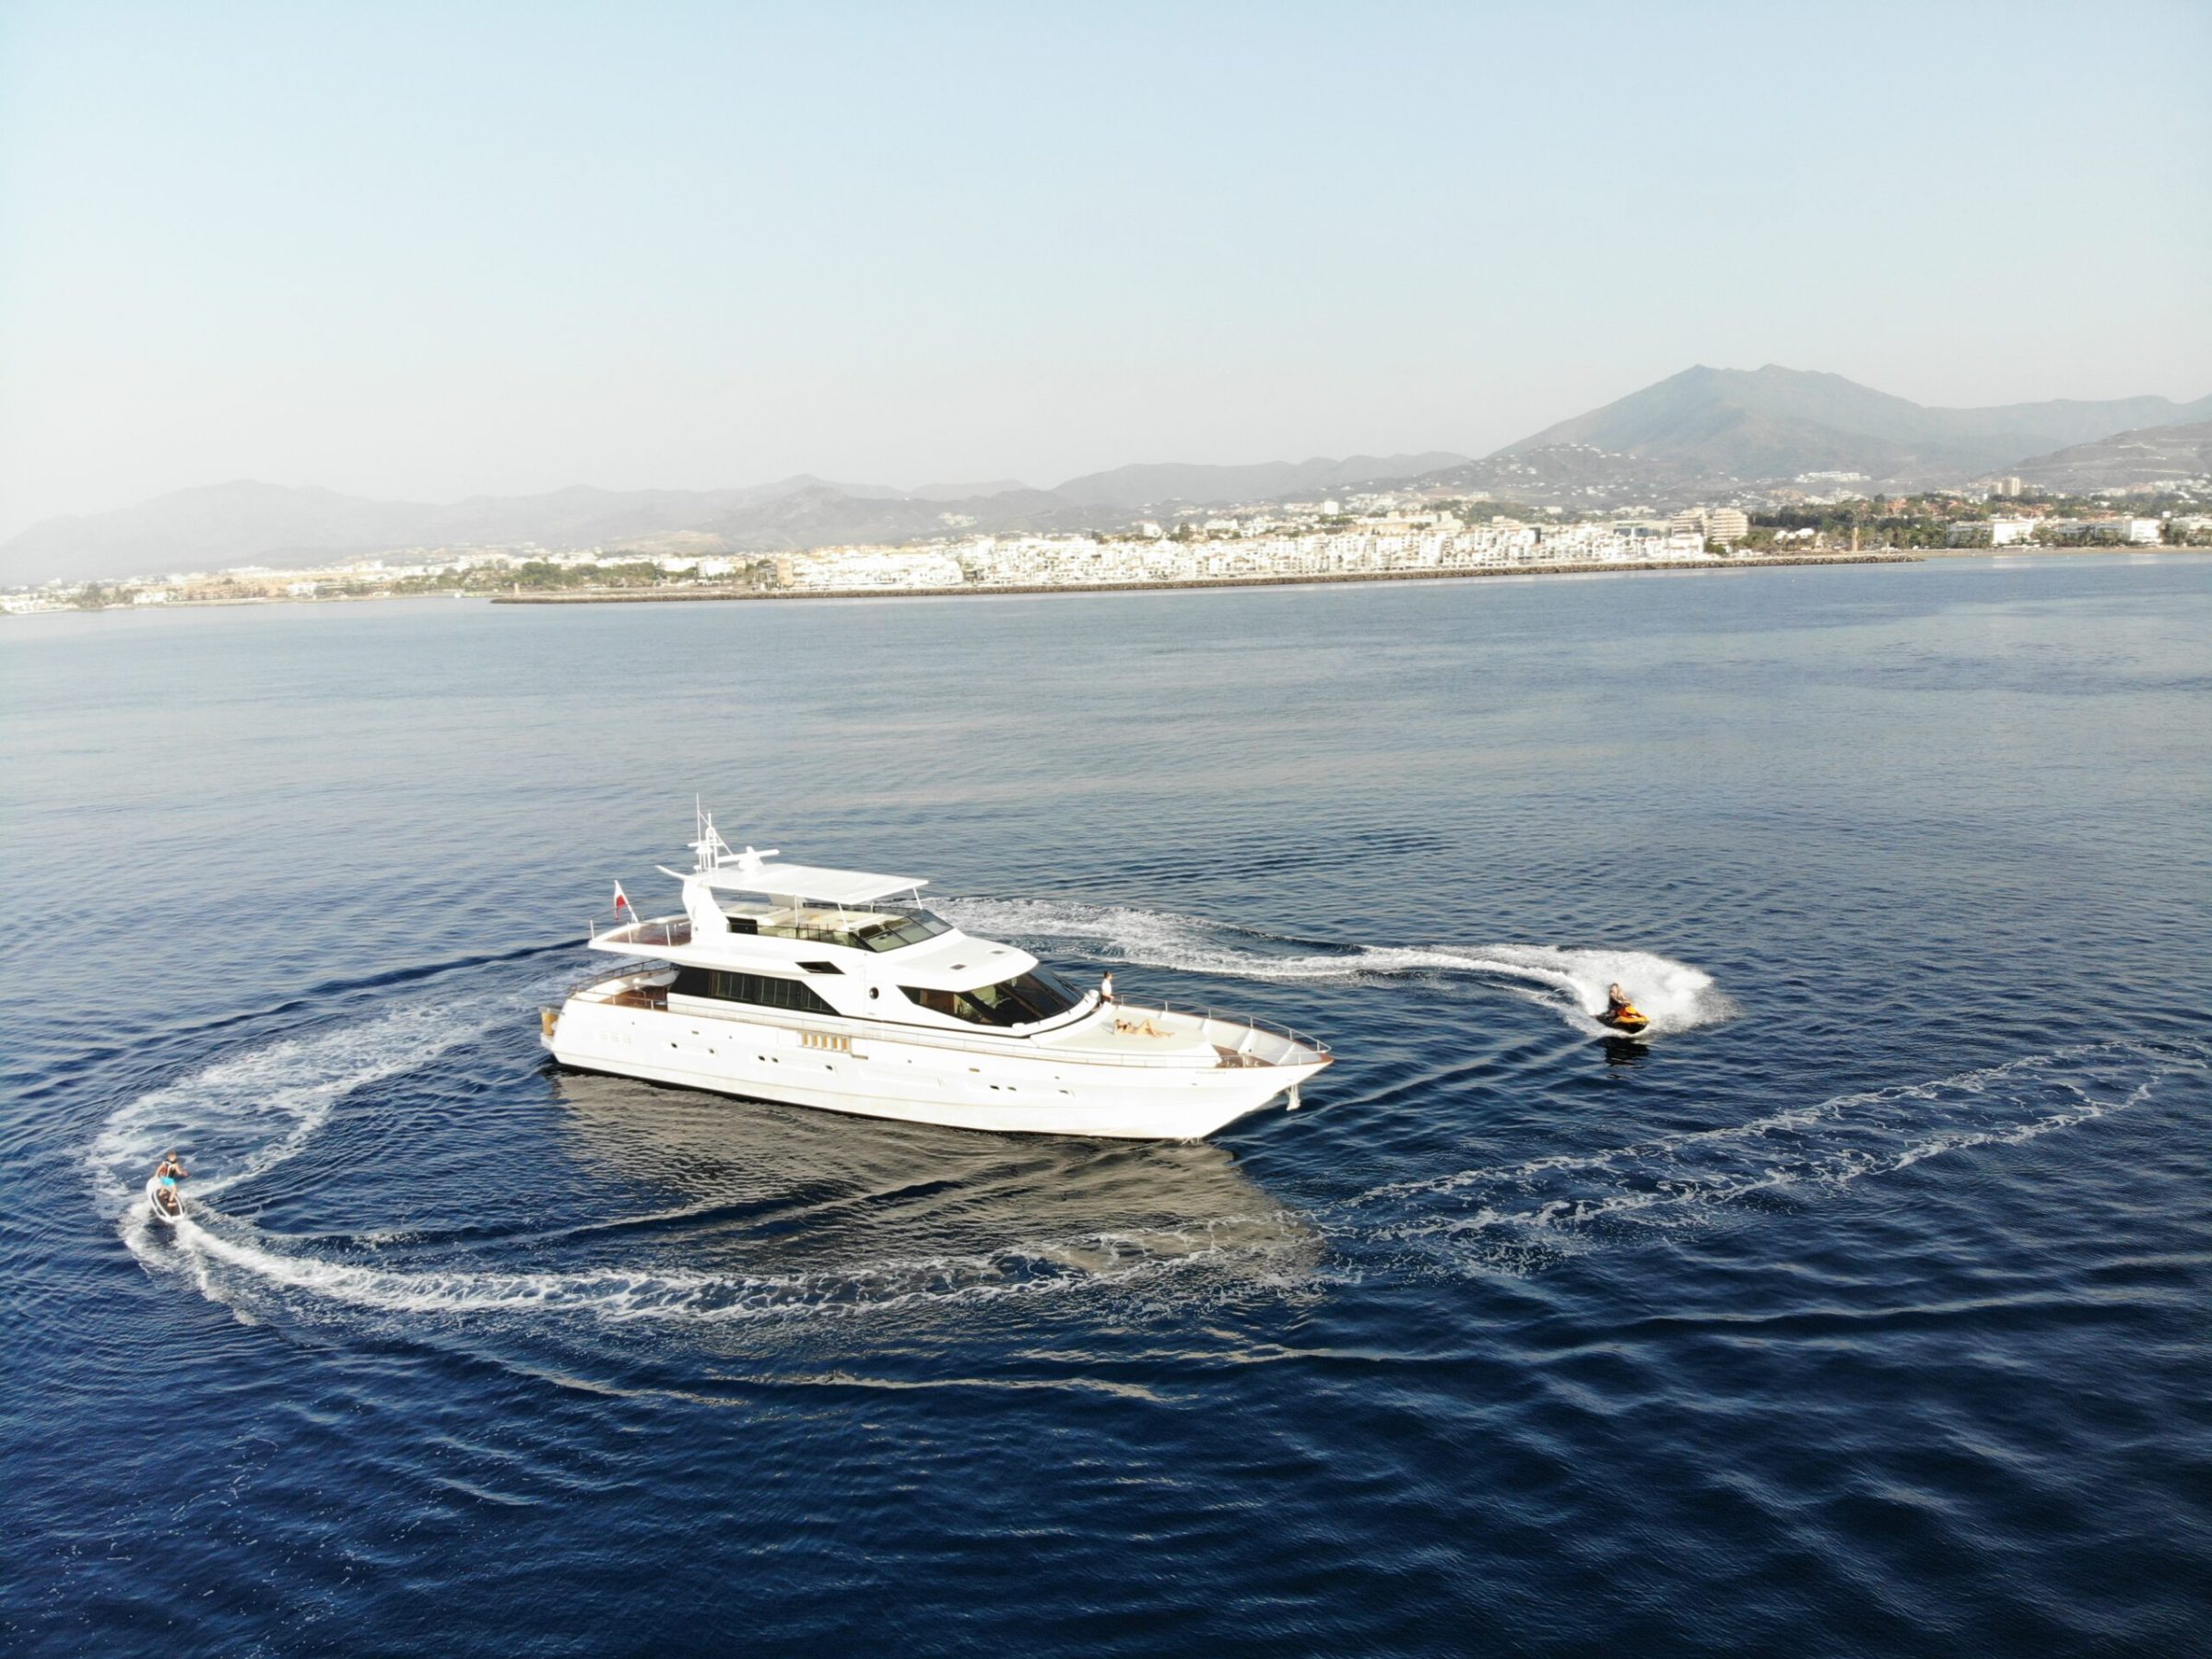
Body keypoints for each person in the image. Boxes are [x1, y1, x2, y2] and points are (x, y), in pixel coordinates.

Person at [153, 1150, 188, 1215]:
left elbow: (159, 1168)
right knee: (174, 1190)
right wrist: (184, 1173)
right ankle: (170, 1202)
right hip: (168, 1179)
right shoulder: (175, 1164)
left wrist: (155, 1175)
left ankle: (161, 1192)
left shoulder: (165, 1161)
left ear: (168, 1157)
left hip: (162, 1176)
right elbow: (179, 1172)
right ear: (175, 1157)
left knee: (164, 1183)